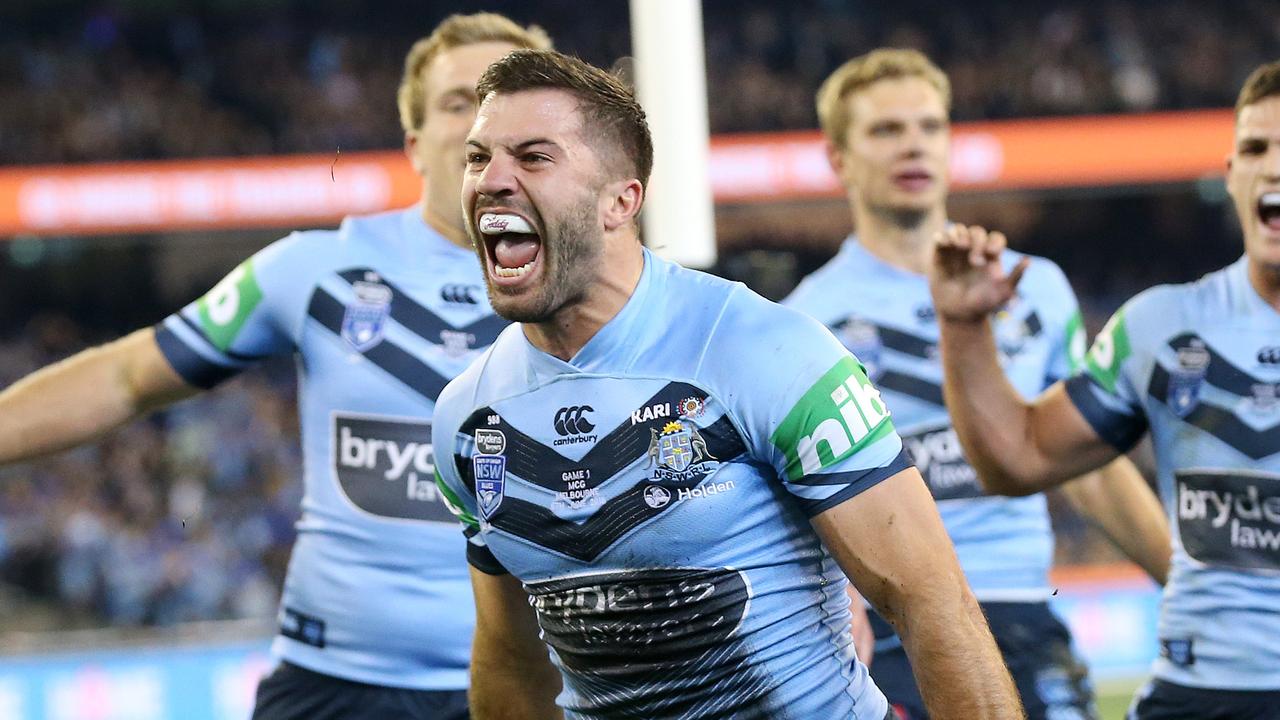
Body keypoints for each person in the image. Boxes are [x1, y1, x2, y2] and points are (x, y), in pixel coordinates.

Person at [430, 48, 1022, 720]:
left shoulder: (763, 350)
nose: (492, 179)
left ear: (620, 202)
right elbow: (510, 659)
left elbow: (930, 598)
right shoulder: (468, 418)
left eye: (533, 157)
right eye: (479, 158)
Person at [0, 13, 551, 720]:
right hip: (334, 686)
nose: (481, 123)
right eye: (458, 102)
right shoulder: (315, 270)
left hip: (532, 687)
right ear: (415, 144)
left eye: (504, 103)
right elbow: (125, 376)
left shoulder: (588, 294)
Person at [782, 49, 1172, 719]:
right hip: (897, 625)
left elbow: (1090, 469)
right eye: (885, 129)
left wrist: (1185, 583)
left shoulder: (1033, 285)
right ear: (838, 159)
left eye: (930, 127)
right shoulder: (802, 322)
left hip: (1024, 611)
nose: (913, 144)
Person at [927, 59, 1280, 720]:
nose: (1275, 168)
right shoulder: (1160, 326)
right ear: (1232, 177)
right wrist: (964, 325)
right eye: (1257, 148)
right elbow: (1018, 459)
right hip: (1198, 699)